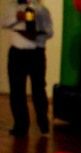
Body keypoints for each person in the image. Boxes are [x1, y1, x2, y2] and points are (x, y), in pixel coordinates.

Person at [2, 0, 53, 136]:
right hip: (17, 52)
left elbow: (49, 32)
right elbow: (3, 23)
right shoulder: (12, 7)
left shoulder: (41, 10)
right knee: (17, 90)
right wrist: (16, 17)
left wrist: (35, 37)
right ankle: (20, 126)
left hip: (35, 52)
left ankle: (43, 124)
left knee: (38, 89)